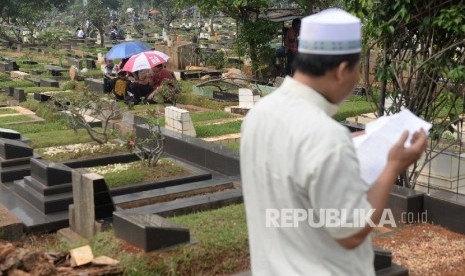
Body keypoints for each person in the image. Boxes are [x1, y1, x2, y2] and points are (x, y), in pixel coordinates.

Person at [240, 8, 428, 276]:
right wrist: (392, 167)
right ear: (341, 70)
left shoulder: (260, 114)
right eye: (356, 71)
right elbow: (351, 232)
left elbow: (296, 162)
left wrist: (349, 144)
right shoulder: (325, 137)